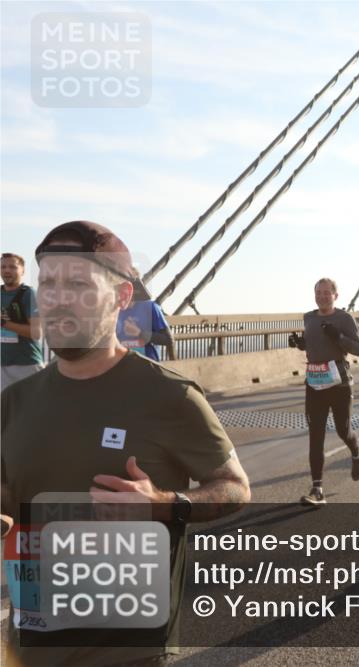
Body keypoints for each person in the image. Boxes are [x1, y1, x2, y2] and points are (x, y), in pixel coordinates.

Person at [0, 220, 251, 665]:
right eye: (49, 284)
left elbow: (235, 487)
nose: (57, 299)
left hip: (125, 650)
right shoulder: (14, 400)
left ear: (121, 296)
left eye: (78, 284)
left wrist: (165, 504)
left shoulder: (170, 395)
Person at [288, 278, 359, 505]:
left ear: (335, 296)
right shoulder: (309, 318)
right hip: (314, 383)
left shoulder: (344, 318)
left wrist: (338, 337)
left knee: (343, 430)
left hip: (339, 383)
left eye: (326, 293)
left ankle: (357, 452)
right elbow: (313, 345)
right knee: (316, 435)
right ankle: (317, 489)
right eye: (318, 293)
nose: (322, 297)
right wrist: (300, 343)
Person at [1, 252, 44, 389]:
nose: (7, 270)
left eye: (12, 267)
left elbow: (36, 333)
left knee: (34, 403)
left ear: (23, 271)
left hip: (27, 364)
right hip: (2, 366)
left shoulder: (29, 294)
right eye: (3, 267)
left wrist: (4, 323)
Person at [116, 291, 173, 361]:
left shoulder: (150, 307)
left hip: (147, 362)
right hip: (122, 361)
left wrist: (139, 333)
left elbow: (168, 339)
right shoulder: (115, 310)